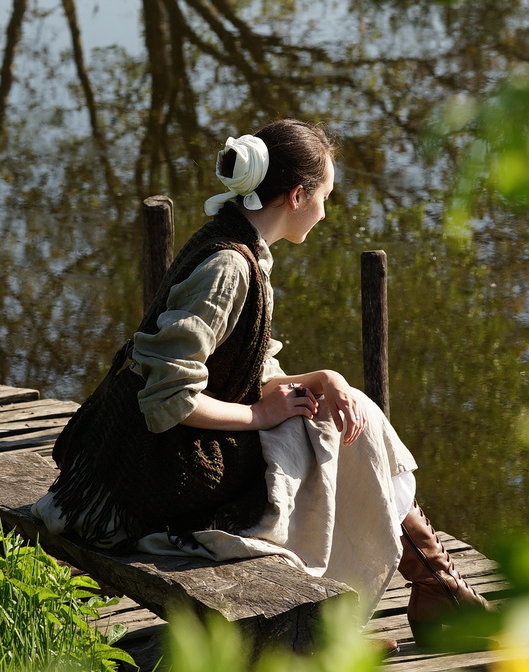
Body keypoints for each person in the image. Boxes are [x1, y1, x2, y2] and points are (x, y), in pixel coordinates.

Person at [33, 118, 492, 649]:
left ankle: (422, 585)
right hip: (138, 483)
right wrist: (262, 416)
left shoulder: (234, 242)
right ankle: (393, 602)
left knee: (338, 410)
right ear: (297, 195)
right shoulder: (229, 266)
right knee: (317, 436)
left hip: (151, 462)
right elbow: (168, 400)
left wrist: (319, 379)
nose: (325, 210)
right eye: (325, 196)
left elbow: (242, 364)